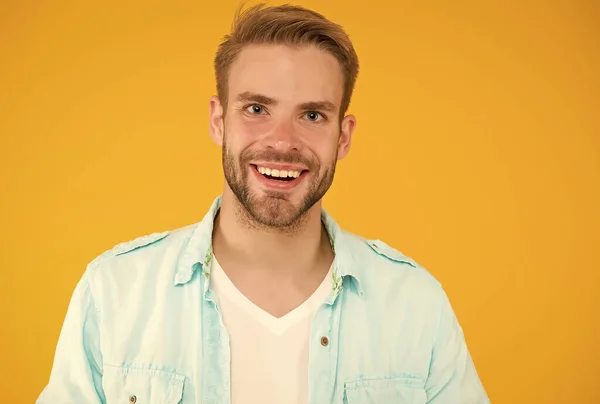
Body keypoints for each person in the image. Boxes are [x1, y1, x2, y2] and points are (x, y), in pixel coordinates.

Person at [38, 3, 489, 403]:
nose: (282, 142)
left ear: (343, 136)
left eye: (312, 115)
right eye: (256, 109)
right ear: (219, 120)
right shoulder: (115, 293)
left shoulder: (414, 305)